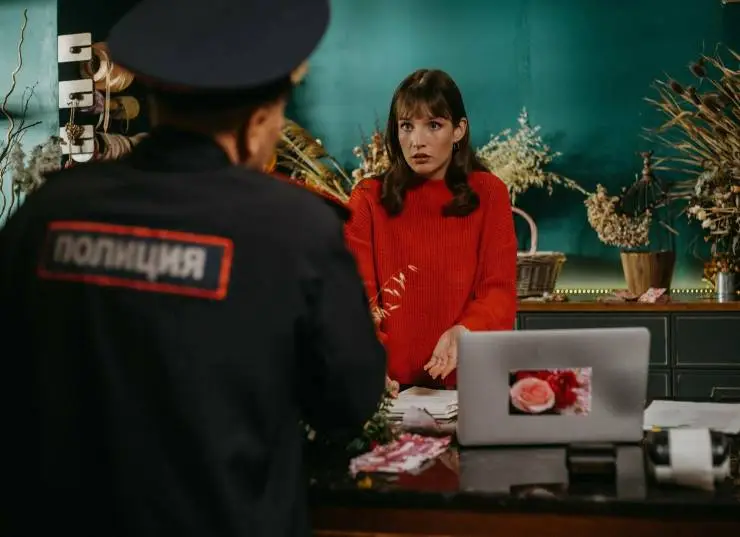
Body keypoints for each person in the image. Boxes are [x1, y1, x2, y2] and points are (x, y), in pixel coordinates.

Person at [0, 1, 386, 536]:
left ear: (156, 101)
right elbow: (347, 402)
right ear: (258, 121)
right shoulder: (295, 229)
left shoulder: (48, 212)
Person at [345, 68, 517, 390]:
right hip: (389, 390)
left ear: (458, 130)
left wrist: (465, 331)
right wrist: (368, 363)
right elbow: (356, 300)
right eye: (407, 126)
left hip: (467, 385)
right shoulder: (367, 198)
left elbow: (498, 291)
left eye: (434, 125)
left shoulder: (489, 193)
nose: (417, 141)